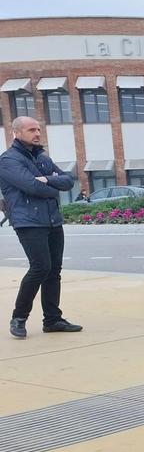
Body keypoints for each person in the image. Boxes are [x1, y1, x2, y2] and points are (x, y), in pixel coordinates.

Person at [0, 117, 81, 339]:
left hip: (53, 220)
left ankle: (52, 319)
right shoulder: (8, 160)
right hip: (28, 222)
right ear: (16, 133)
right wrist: (49, 184)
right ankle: (19, 317)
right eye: (31, 129)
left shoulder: (43, 158)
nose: (37, 133)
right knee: (40, 268)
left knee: (54, 270)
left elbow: (68, 181)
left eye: (38, 129)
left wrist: (45, 180)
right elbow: (32, 187)